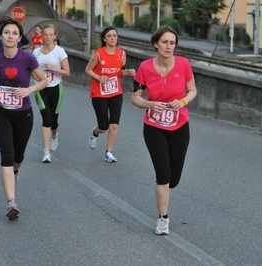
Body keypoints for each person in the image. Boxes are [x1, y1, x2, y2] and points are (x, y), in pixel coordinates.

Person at [131, 25, 197, 235]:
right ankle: (163, 219)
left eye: (172, 43)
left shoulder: (184, 64)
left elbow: (193, 90)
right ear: (155, 44)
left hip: (179, 125)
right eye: (165, 42)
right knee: (163, 175)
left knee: (174, 179)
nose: (169, 46)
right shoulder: (145, 67)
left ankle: (166, 186)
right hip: (154, 126)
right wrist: (150, 104)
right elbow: (135, 97)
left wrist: (184, 101)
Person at [0, 16, 48, 220]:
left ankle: (16, 171)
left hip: (23, 113)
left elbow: (44, 81)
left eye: (14, 33)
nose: (10, 36)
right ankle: (11, 203)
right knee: (7, 155)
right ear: (1, 36)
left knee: (18, 157)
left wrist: (29, 89)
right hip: (1, 112)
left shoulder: (27, 58)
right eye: (6, 33)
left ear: (19, 37)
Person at [84, 26, 135, 162]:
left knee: (114, 125)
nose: (112, 38)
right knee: (104, 126)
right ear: (104, 39)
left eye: (114, 35)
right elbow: (88, 69)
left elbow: (119, 73)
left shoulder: (121, 54)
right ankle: (95, 132)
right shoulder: (99, 54)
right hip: (99, 93)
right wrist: (99, 77)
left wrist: (128, 73)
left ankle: (109, 152)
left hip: (116, 92)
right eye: (109, 36)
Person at [32, 24, 70, 163]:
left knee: (54, 121)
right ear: (42, 35)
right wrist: (34, 75)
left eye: (50, 34)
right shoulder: (36, 52)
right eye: (45, 34)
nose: (48, 37)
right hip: (41, 88)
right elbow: (31, 69)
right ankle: (46, 152)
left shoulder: (59, 51)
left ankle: (54, 134)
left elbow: (67, 72)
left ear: (55, 36)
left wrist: (54, 69)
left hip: (56, 88)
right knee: (46, 119)